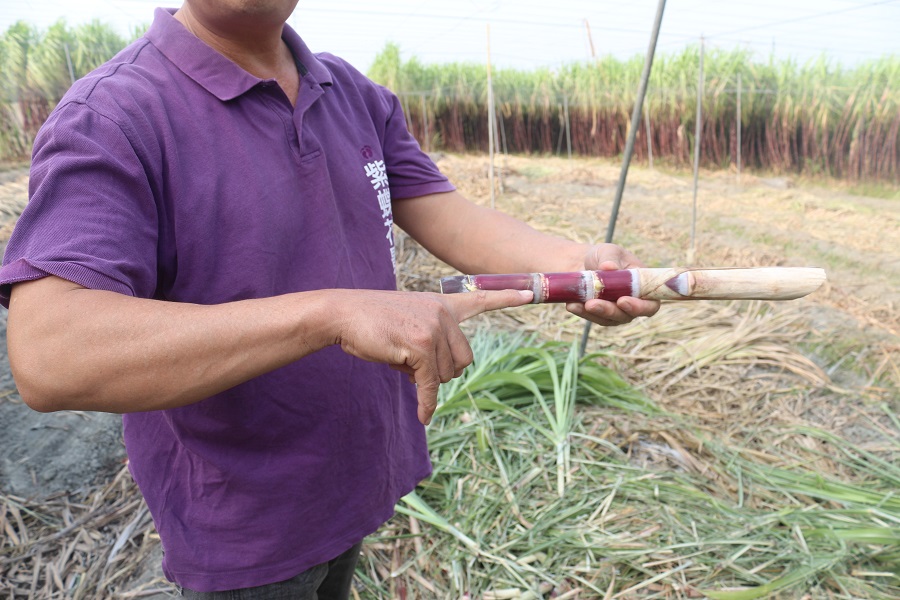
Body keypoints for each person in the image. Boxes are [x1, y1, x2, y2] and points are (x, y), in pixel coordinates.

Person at [1, 1, 660, 598]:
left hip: (350, 482)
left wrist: (576, 265)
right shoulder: (116, 115)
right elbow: (51, 351)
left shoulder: (348, 93)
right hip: (244, 523)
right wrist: (334, 313)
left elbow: (447, 215)